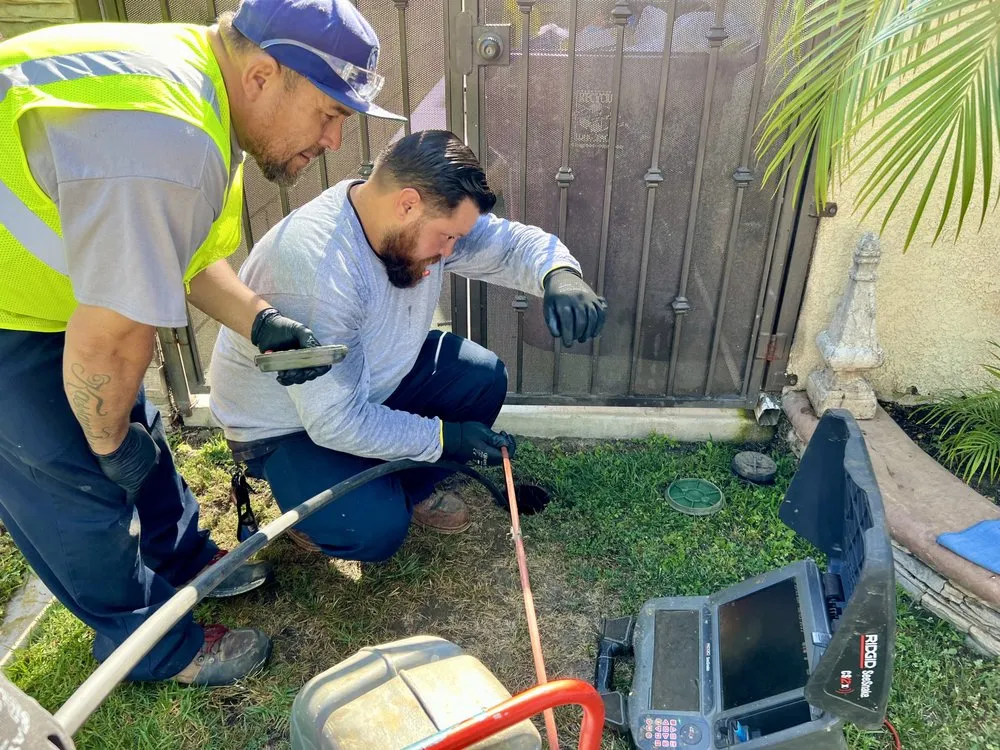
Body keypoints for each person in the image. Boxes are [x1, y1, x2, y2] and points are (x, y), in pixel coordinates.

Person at [0, 0, 404, 686]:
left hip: (34, 285)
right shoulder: (169, 136)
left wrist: (257, 319)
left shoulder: (198, 93)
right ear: (263, 76)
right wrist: (107, 446)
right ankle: (152, 646)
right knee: (72, 477)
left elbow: (174, 252)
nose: (336, 141)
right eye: (330, 114)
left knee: (135, 431)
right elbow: (106, 349)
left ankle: (185, 563)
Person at [209, 129, 606, 560]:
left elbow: (508, 244)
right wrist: (445, 438)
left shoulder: (417, 220)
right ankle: (323, 514)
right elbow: (337, 421)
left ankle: (403, 487)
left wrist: (558, 273)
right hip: (288, 426)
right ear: (408, 203)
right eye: (446, 238)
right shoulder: (322, 271)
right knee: (371, 528)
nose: (451, 250)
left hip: (371, 378)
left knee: (482, 378)